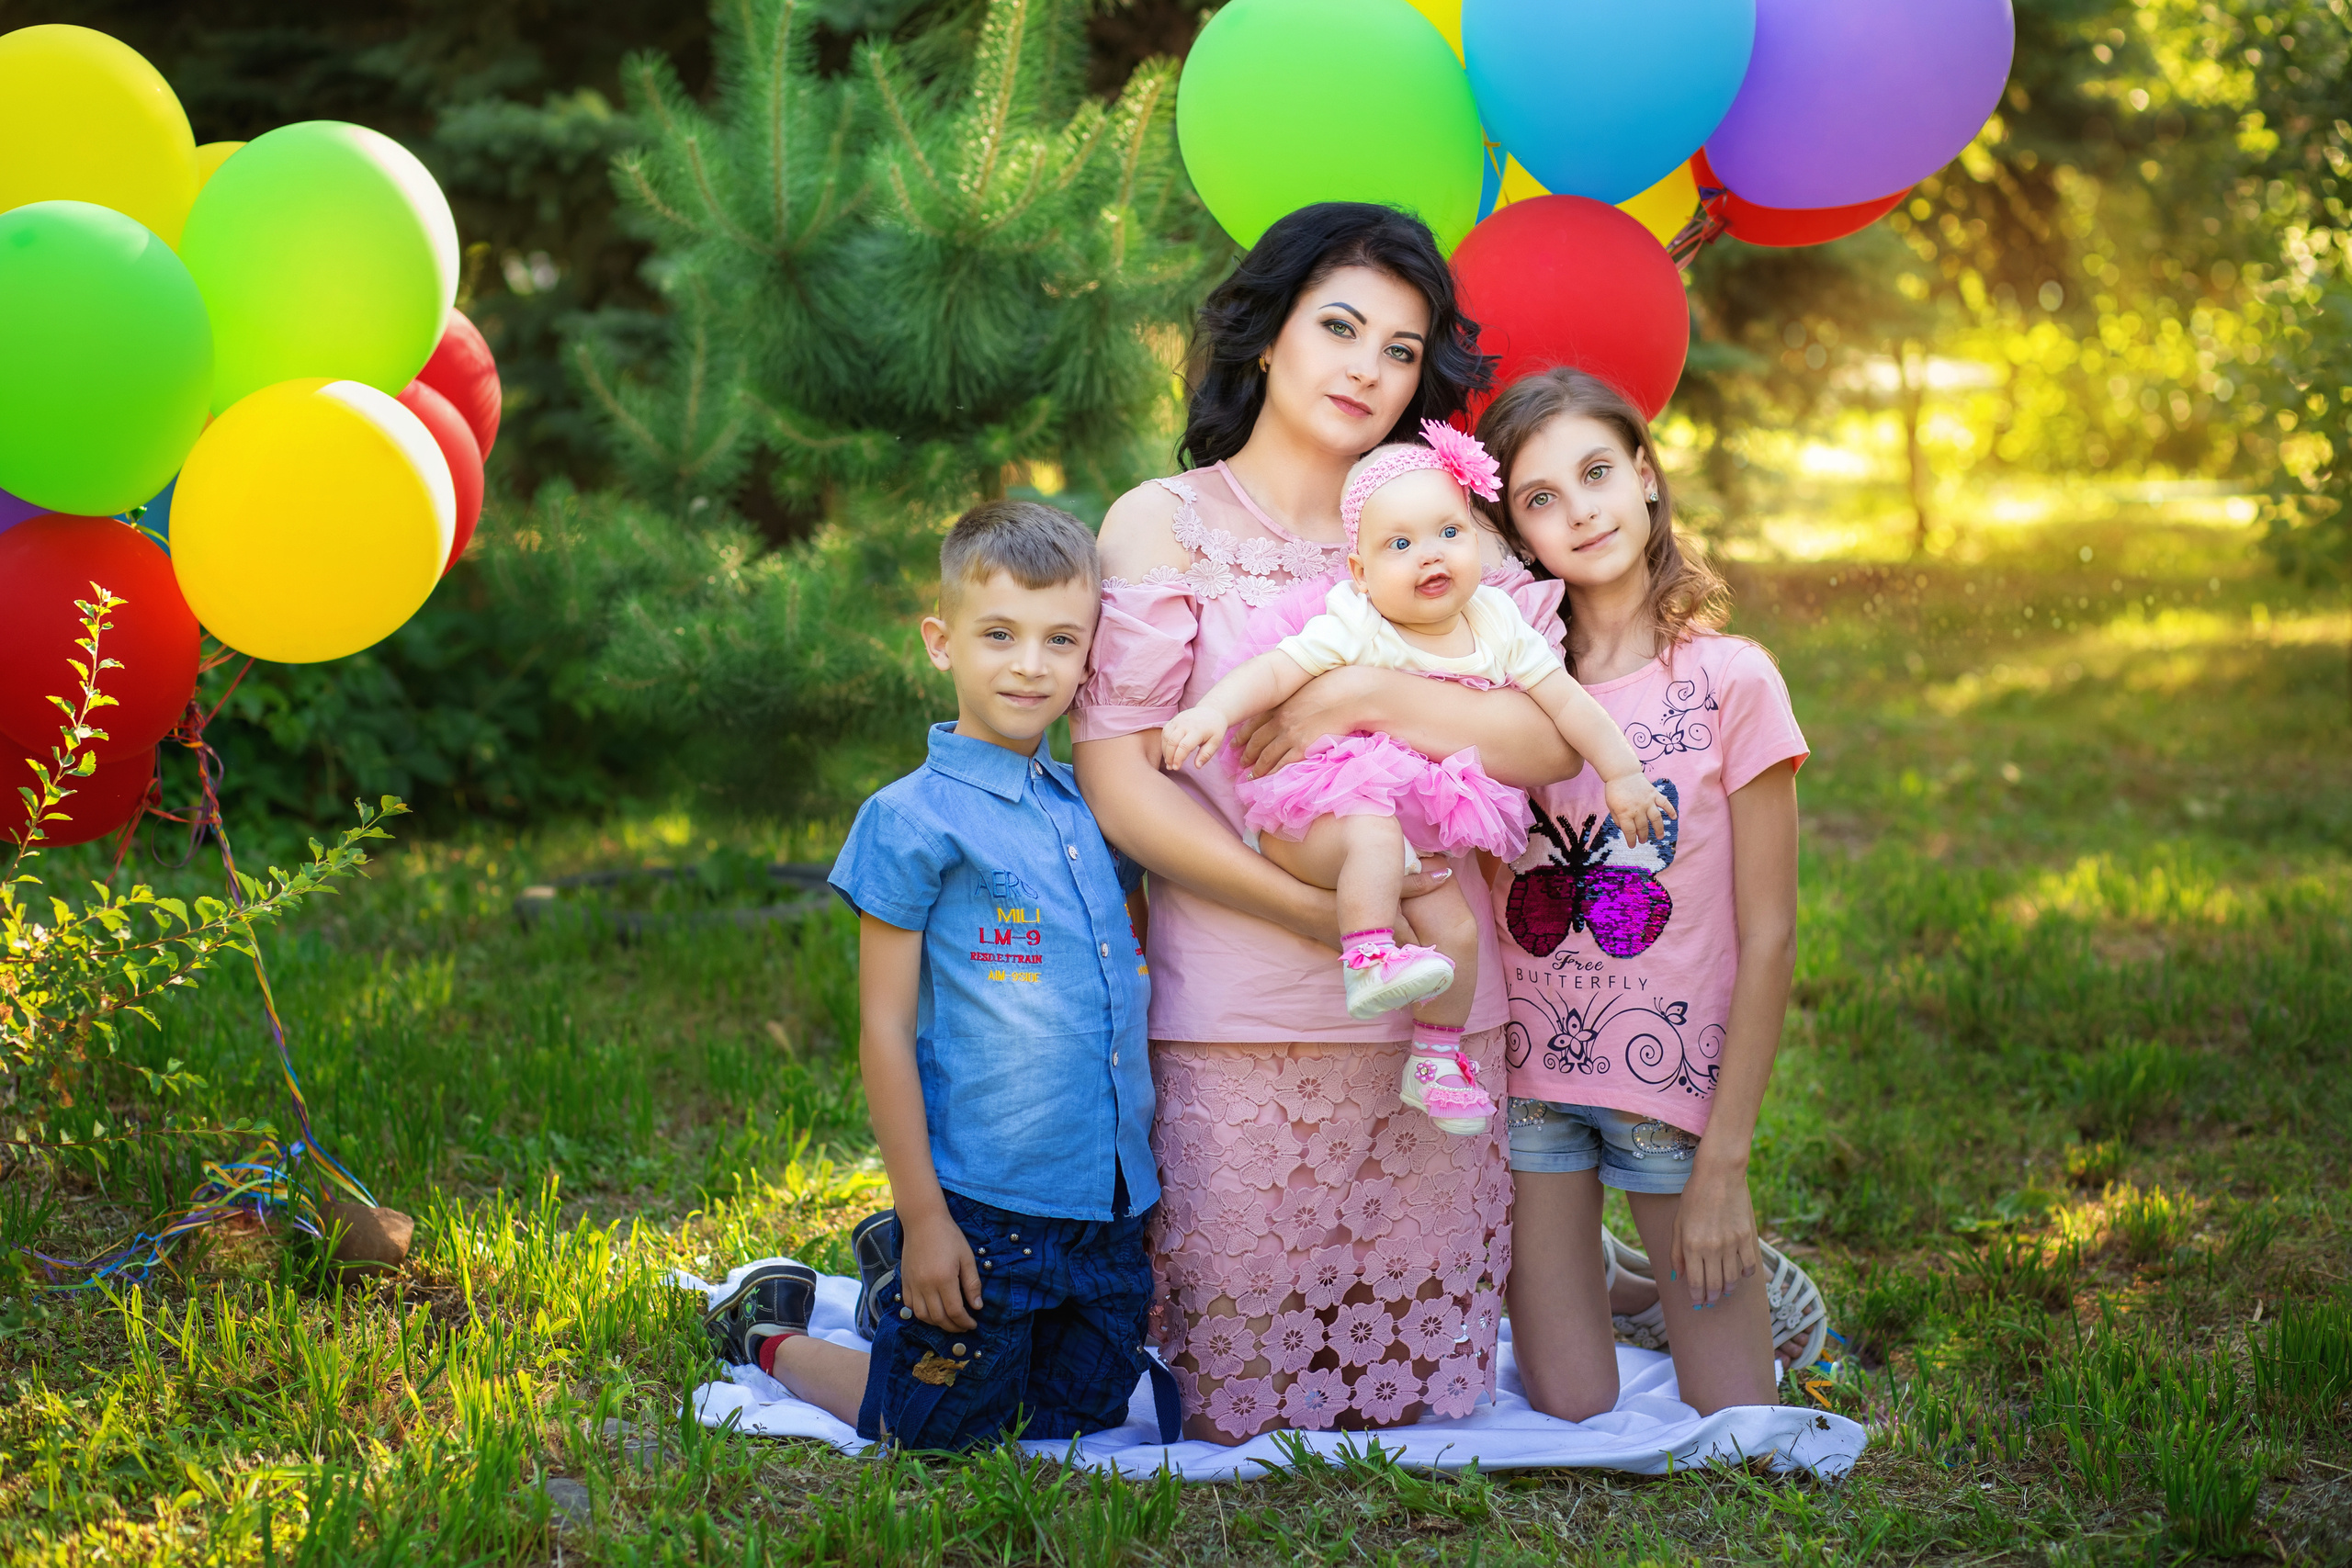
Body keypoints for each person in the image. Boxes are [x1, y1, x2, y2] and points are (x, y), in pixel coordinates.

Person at [1073, 201, 1588, 1443]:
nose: (1368, 366)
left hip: (1438, 1025)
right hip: (1239, 1015)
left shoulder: (1445, 529)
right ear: (1267, 337)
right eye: (1341, 326)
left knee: (1413, 1399)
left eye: (1403, 349)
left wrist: (1362, 690)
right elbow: (1122, 778)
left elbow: (1546, 736)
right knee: (1233, 1400)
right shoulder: (1168, 521)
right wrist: (1317, 915)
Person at [700, 501, 1168, 1451]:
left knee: (1081, 1413)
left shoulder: (1097, 806)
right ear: (939, 641)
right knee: (941, 1427)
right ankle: (768, 1331)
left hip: (1111, 1205)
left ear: (1089, 657)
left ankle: (891, 1290)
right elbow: (883, 1030)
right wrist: (924, 1217)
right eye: (997, 634)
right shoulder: (911, 820)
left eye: (1059, 640)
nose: (1029, 664)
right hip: (991, 1200)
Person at [1471, 367, 1827, 1420]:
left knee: (1740, 1418)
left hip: (1671, 1107)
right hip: (1531, 1089)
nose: (1578, 509)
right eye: (1539, 497)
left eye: (1594, 473)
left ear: (1644, 478)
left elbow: (1769, 939)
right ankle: (1619, 1283)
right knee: (1570, 1409)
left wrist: (1726, 1165)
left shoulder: (1730, 679)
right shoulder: (1497, 690)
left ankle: (1691, 1269)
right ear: (1517, 534)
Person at [1159, 421, 1674, 1135]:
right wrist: (1214, 710)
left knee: (1457, 932)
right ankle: (1368, 952)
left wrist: (1620, 772)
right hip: (1327, 813)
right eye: (1399, 545)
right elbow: (1276, 671)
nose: (1429, 554)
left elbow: (1565, 703)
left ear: (1476, 539)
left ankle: (1434, 1059)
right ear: (1361, 571)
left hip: (1420, 832)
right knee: (1372, 835)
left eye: (1447, 532)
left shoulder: (1494, 620)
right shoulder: (1357, 620)